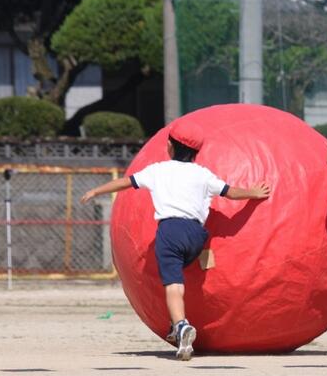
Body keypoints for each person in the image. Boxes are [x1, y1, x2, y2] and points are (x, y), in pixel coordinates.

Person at [80, 120, 271, 361]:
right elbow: (231, 192)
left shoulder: (158, 170)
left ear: (170, 146)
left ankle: (181, 326)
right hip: (196, 235)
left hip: (170, 231)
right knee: (186, 270)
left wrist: (96, 191)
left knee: (173, 285)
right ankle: (175, 325)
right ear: (196, 152)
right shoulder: (202, 174)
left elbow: (126, 183)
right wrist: (253, 192)